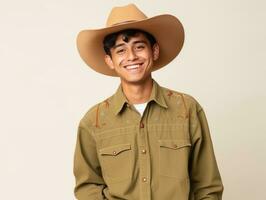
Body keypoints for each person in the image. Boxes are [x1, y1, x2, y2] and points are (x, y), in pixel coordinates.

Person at [73, 3, 224, 200]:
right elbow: (87, 187)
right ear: (110, 61)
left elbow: (207, 187)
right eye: (121, 50)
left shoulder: (187, 109)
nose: (132, 56)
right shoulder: (94, 121)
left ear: (154, 51)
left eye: (139, 47)